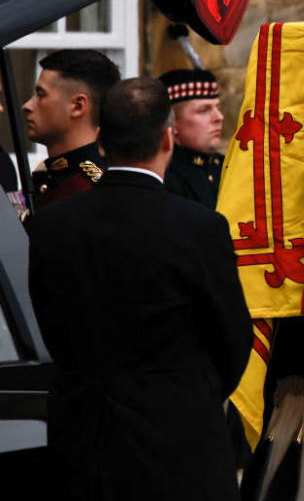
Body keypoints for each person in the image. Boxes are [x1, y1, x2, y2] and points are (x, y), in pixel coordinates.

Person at [26, 76, 251, 500]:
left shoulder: (53, 223)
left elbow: (49, 321)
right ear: (168, 138)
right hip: (178, 439)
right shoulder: (199, 227)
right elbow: (233, 339)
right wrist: (186, 394)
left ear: (102, 142)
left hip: (84, 436)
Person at [21, 49, 119, 211]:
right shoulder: (47, 175)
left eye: (41, 94)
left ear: (77, 106)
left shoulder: (91, 190)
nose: (27, 106)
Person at [159, 68, 225, 207]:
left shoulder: (227, 167)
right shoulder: (165, 177)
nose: (219, 117)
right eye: (204, 110)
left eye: (217, 108)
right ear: (172, 122)